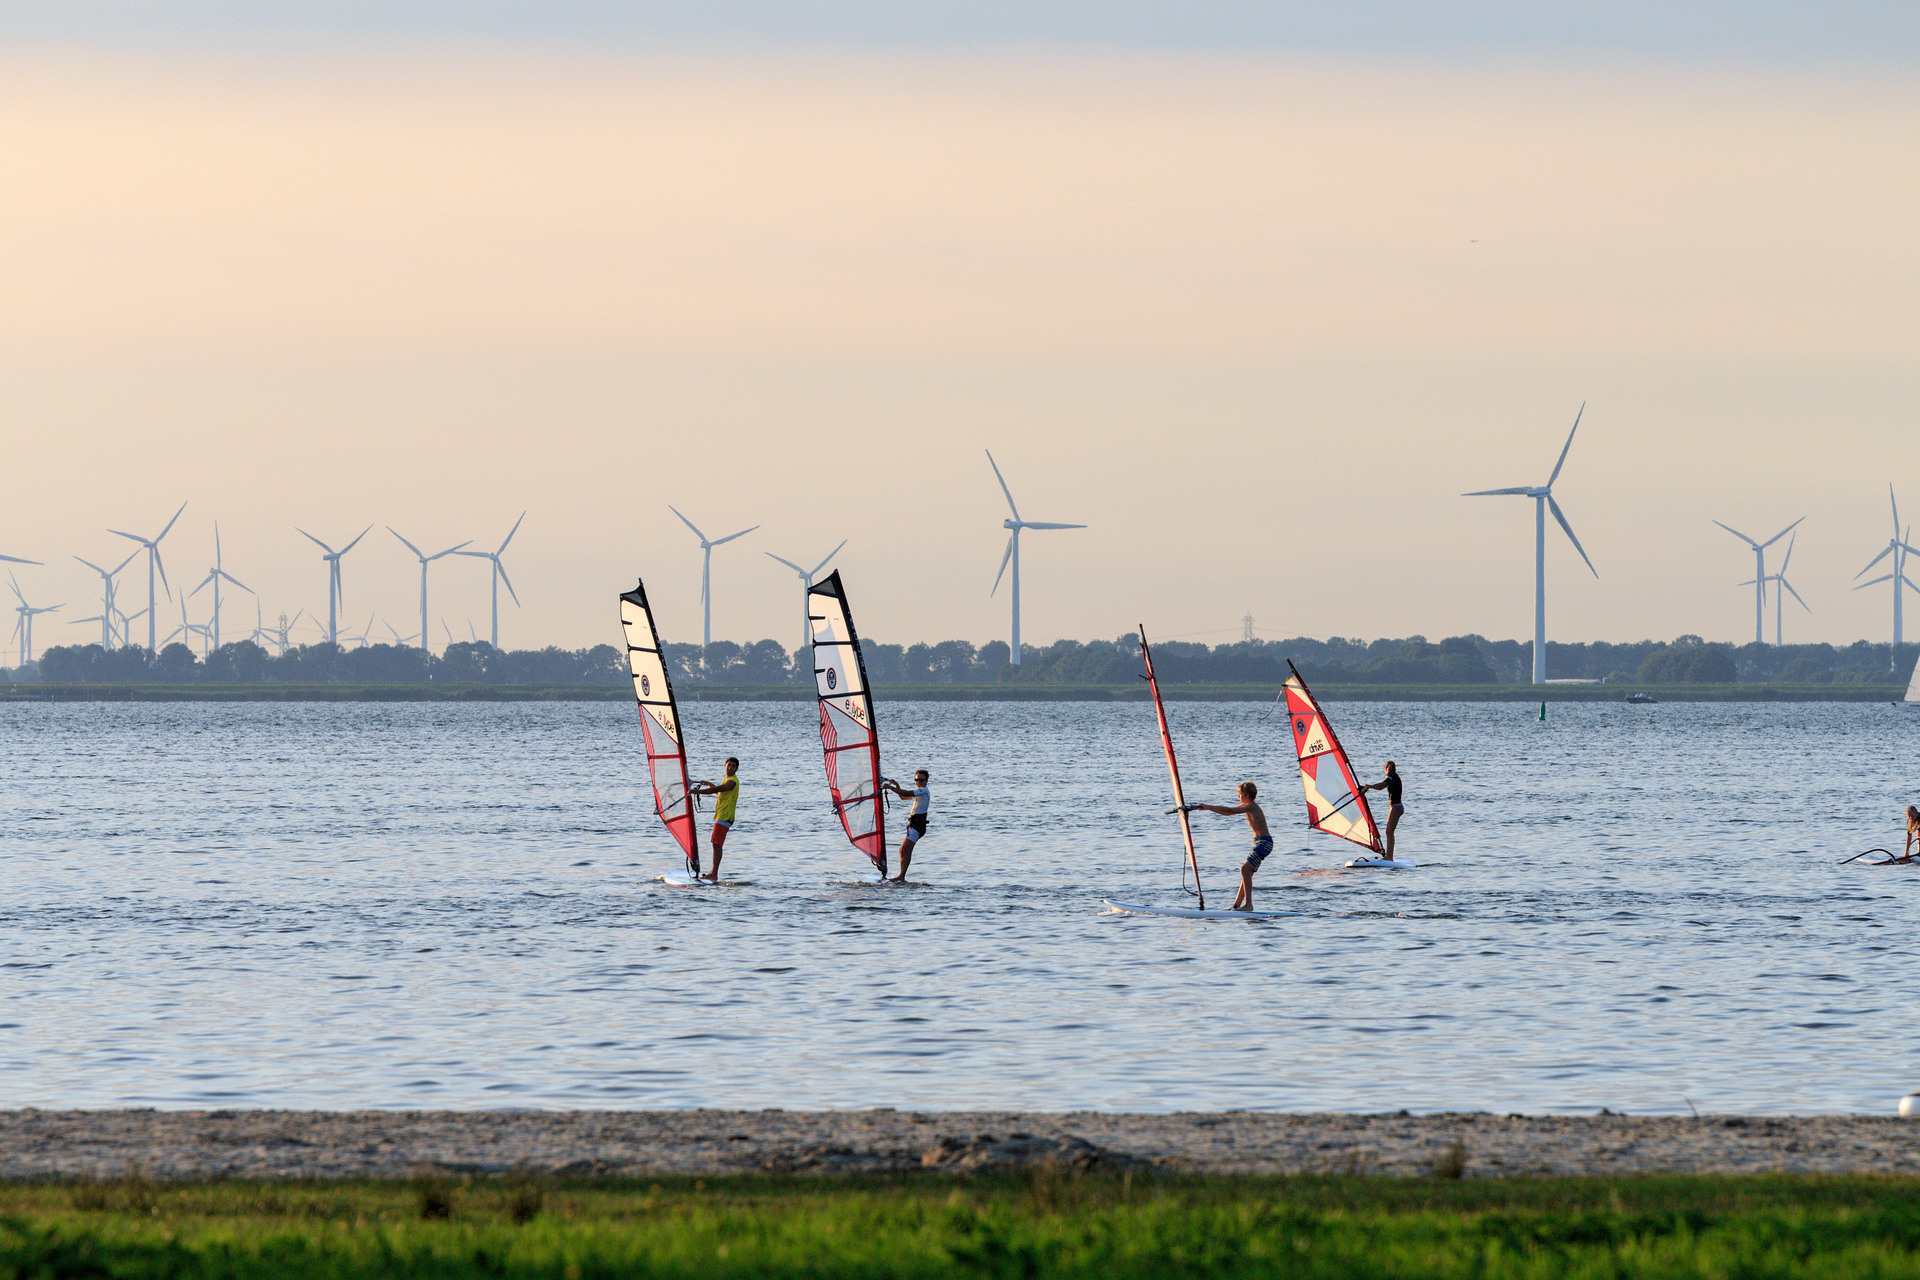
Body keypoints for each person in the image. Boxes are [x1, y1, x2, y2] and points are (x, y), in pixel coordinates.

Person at [1191, 782, 1271, 912]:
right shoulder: (1247, 806)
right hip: (1259, 843)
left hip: (1264, 843)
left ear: (1246, 794)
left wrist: (1208, 807)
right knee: (1247, 873)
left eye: (1240, 794)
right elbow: (1229, 813)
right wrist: (1206, 808)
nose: (1238, 796)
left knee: (1245, 870)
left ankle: (1249, 905)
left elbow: (1231, 810)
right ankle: (1236, 906)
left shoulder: (1252, 807)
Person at [689, 758, 740, 881]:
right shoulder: (727, 780)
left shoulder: (732, 782)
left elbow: (716, 790)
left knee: (716, 844)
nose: (730, 768)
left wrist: (697, 792)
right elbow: (719, 792)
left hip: (725, 817)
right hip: (722, 817)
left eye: (733, 766)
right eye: (729, 765)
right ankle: (713, 873)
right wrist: (710, 784)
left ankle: (714, 874)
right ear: (725, 766)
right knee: (715, 843)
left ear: (736, 769)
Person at [882, 770, 931, 882]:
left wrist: (891, 788)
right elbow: (903, 797)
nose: (918, 782)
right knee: (902, 850)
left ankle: (901, 877)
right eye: (916, 780)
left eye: (921, 780)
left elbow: (908, 793)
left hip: (918, 825)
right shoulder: (920, 792)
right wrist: (897, 786)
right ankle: (901, 875)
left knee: (906, 850)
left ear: (926, 781)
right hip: (914, 824)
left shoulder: (923, 791)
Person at [1356, 761, 1404, 860]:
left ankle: (1389, 857)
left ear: (1387, 769)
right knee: (1389, 832)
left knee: (1389, 832)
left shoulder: (1392, 777)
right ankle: (1388, 855)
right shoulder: (1393, 777)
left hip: (1396, 807)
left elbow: (1382, 785)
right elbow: (1381, 787)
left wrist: (1369, 786)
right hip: (1396, 807)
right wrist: (1369, 787)